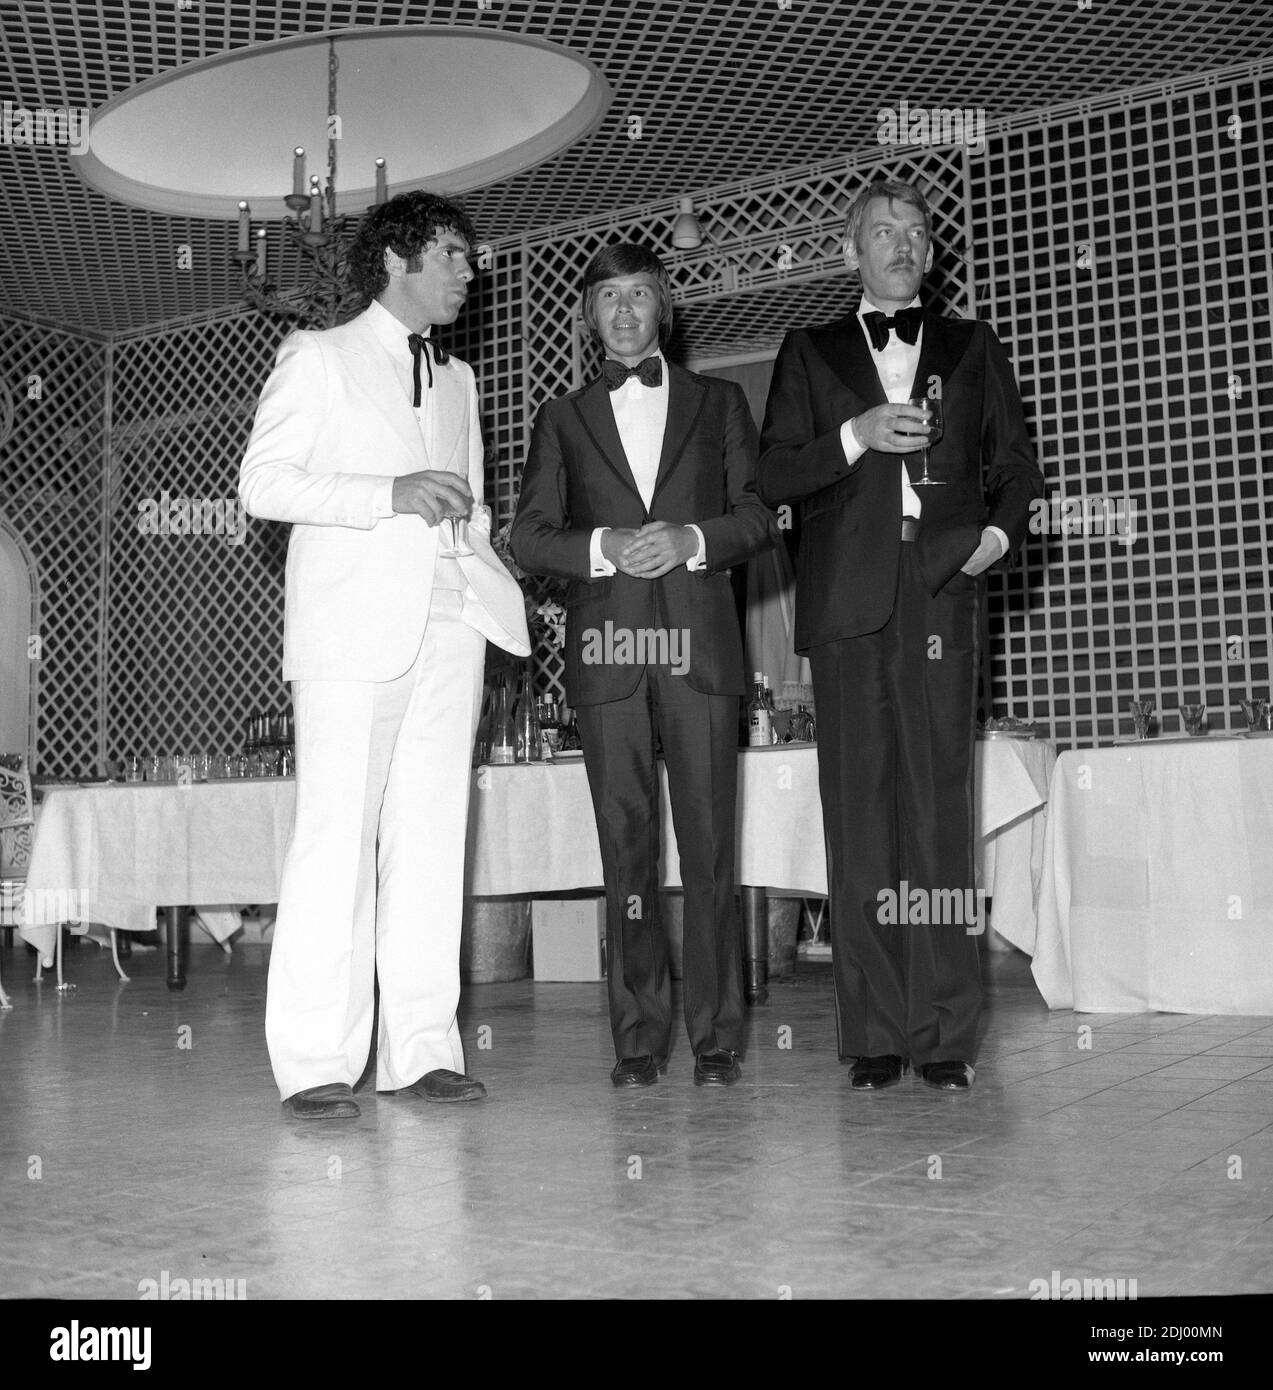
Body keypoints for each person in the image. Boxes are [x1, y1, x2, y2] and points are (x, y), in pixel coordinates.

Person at [239, 191, 529, 1120]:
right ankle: (317, 1059)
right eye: (450, 253)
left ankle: (421, 1051)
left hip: (452, 627)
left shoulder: (462, 382)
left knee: (434, 841)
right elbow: (263, 485)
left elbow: (470, 503)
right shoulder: (316, 356)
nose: (467, 270)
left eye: (468, 256)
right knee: (335, 843)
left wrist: (486, 583)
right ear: (397, 260)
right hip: (352, 635)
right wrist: (389, 493)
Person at [758, 179, 1043, 1092]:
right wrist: (855, 433)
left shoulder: (970, 344)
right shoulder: (807, 351)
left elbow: (1016, 469)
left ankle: (946, 1035)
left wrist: (989, 543)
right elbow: (771, 474)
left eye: (916, 232)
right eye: (882, 232)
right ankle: (875, 1033)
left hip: (943, 596)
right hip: (847, 605)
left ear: (930, 251)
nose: (902, 244)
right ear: (852, 252)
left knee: (938, 820)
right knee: (859, 821)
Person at [511, 243, 777, 1088]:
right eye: (607, 299)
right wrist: (604, 545)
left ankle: (717, 1036)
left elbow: (759, 515)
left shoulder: (721, 402)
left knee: (708, 851)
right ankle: (635, 1037)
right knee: (624, 851)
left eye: (638, 295)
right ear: (588, 317)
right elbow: (526, 535)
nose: (624, 311)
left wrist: (692, 539)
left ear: (663, 308)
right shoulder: (561, 417)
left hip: (699, 649)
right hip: (608, 653)